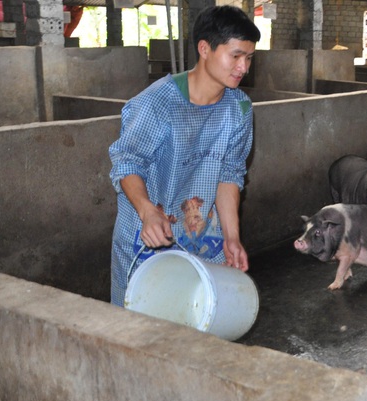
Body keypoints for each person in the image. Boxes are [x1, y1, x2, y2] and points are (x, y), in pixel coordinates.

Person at [108, 5, 261, 307]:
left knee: (200, 313)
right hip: (148, 234)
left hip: (202, 235)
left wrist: (232, 236)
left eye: (249, 58)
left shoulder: (239, 108)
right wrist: (148, 211)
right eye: (235, 55)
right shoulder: (157, 103)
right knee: (143, 321)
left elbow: (230, 174)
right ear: (205, 48)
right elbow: (127, 162)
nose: (243, 67)